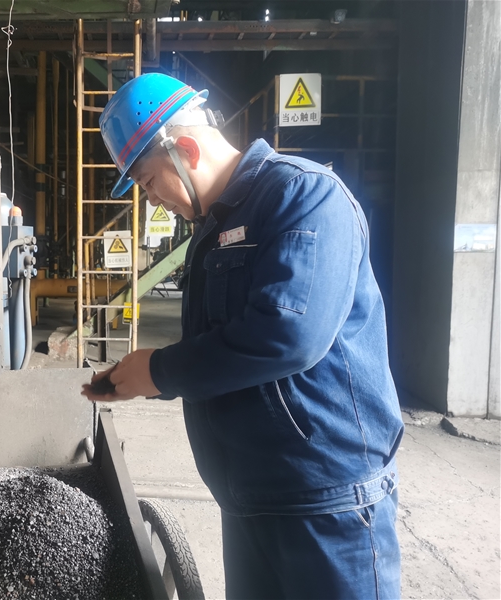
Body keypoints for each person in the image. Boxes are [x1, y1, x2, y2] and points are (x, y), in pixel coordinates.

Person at [82, 73, 404, 599]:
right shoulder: (211, 230)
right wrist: (146, 375)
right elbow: (221, 348)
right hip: (249, 501)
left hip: (326, 505)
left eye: (148, 181)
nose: (153, 201)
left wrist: (160, 371)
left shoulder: (302, 195)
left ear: (186, 150)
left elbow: (289, 334)